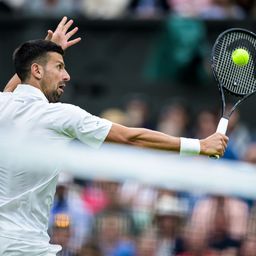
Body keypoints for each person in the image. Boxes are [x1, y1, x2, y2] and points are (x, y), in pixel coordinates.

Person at [0, 18, 228, 256]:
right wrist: (200, 145)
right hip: (27, 249)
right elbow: (132, 137)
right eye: (59, 67)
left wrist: (45, 48)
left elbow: (12, 90)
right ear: (37, 70)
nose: (66, 75)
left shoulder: (3, 104)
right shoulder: (61, 115)